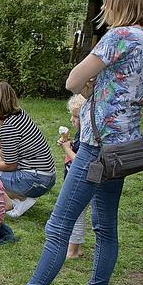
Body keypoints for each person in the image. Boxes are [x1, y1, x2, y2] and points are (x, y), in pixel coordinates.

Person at [0, 0, 143, 285]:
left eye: (109, 0)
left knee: (58, 226)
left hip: (95, 147)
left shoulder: (119, 36)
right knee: (105, 226)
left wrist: (90, 87)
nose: (106, 7)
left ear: (122, 2)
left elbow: (73, 80)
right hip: (124, 148)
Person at [0, 81, 56, 217]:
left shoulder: (8, 128)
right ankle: (20, 196)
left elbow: (10, 165)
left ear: (0, 102)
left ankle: (18, 200)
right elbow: (8, 143)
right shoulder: (18, 115)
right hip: (45, 176)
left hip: (35, 180)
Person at [58, 95, 90, 259]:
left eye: (76, 116)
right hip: (75, 178)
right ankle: (78, 248)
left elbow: (80, 161)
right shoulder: (81, 134)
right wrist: (69, 143)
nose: (72, 120)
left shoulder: (87, 137)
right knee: (76, 213)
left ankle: (72, 251)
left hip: (81, 181)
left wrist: (66, 148)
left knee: (76, 214)